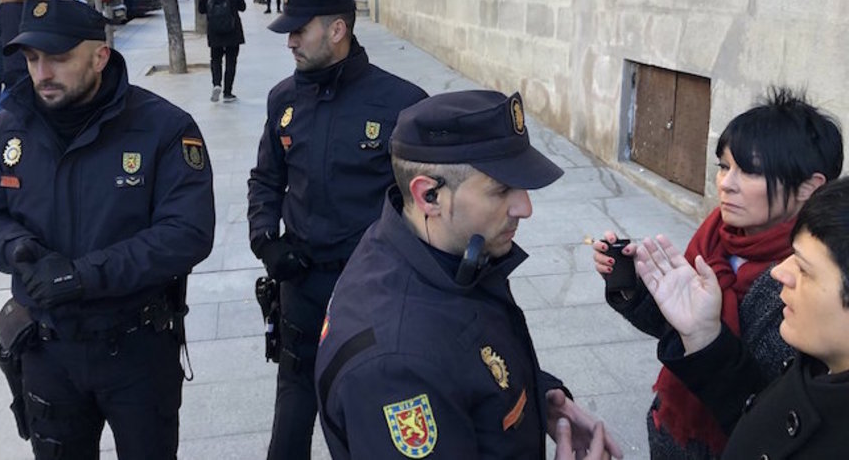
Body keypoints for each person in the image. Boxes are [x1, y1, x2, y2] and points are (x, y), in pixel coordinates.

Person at [0, 0, 215, 460]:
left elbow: (187, 232)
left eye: (58, 57)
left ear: (99, 56)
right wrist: (18, 249)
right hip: (47, 350)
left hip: (136, 349)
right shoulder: (10, 128)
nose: (42, 73)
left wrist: (85, 275)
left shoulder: (164, 128)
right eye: (32, 59)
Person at [315, 90, 623, 460]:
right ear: (430, 196)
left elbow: (466, 358)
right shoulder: (398, 369)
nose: (525, 207)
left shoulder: (432, 249)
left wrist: (541, 397)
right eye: (501, 189)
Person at [592, 87, 843, 459]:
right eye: (724, 166)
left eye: (750, 171)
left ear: (810, 187)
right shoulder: (716, 238)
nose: (726, 183)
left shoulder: (810, 283)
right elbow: (677, 330)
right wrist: (631, 286)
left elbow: (778, 402)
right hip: (672, 427)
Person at [247, 0, 428, 460]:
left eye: (299, 32)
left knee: (373, 421)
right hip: (301, 287)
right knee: (290, 424)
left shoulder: (402, 104)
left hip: (374, 291)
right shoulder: (282, 100)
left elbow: (429, 203)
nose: (289, 42)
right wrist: (266, 240)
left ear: (337, 30)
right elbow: (265, 179)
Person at [635, 176, 849, 458]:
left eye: (805, 269)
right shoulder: (816, 362)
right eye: (723, 165)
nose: (779, 272)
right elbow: (760, 420)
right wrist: (703, 336)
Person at [197, 0, 246, 102]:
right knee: (231, 60)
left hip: (214, 28)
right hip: (232, 27)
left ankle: (216, 84)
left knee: (215, 58)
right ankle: (228, 92)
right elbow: (242, 7)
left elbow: (201, 9)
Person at [0, 0, 52, 93]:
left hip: (10, 58)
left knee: (12, 96)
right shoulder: (35, 4)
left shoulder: (3, 5)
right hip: (31, 58)